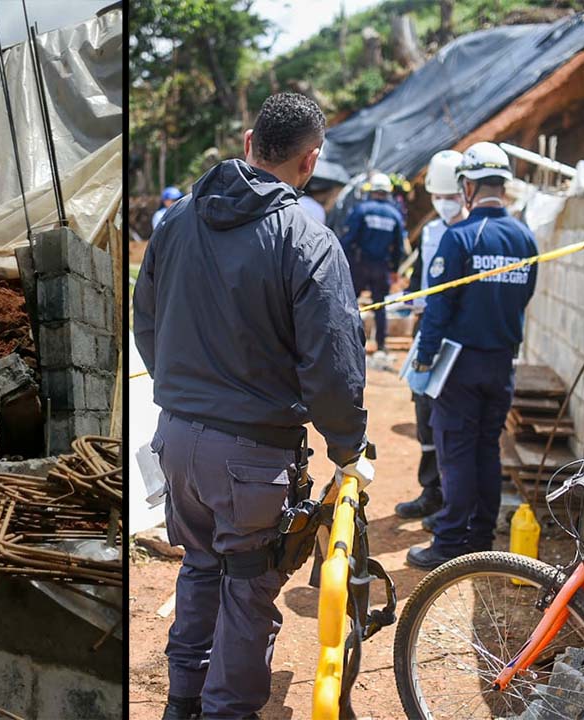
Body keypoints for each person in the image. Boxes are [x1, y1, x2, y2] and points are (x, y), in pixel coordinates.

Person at [133, 92, 374, 720]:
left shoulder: (175, 223)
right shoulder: (306, 237)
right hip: (250, 455)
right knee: (247, 589)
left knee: (201, 566)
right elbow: (334, 362)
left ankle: (181, 702)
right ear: (310, 160)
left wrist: (185, 393)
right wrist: (349, 448)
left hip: (175, 441)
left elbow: (147, 322)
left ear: (248, 141)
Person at [405, 142, 538, 570]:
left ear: (468, 186)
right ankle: (481, 537)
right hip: (501, 363)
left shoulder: (460, 238)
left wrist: (423, 360)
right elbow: (525, 297)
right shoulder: (525, 237)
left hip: (459, 365)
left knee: (456, 452)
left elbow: (439, 310)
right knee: (486, 450)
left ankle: (448, 542)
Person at [395, 149, 467, 524]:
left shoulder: (473, 233)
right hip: (428, 328)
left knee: (450, 417)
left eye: (451, 198)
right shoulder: (433, 233)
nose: (444, 205)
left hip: (459, 334)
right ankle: (432, 491)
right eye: (438, 198)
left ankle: (454, 500)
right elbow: (421, 279)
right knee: (423, 409)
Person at [340, 172, 405, 356]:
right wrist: (394, 268)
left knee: (350, 303)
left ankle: (345, 341)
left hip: (360, 265)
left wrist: (341, 260)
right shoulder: (395, 215)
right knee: (379, 306)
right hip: (381, 266)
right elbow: (398, 247)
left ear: (372, 191)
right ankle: (381, 345)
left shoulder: (362, 210)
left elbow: (348, 239)